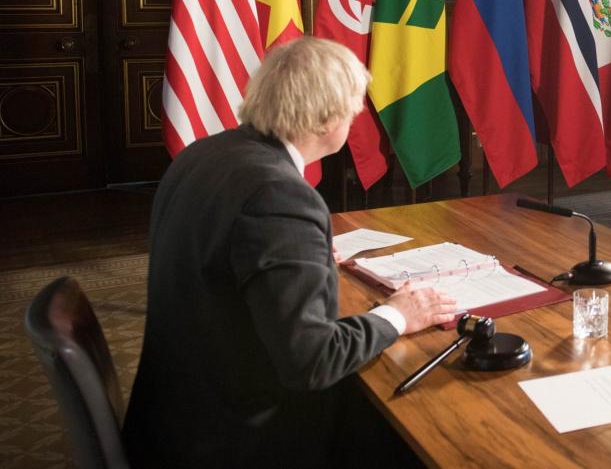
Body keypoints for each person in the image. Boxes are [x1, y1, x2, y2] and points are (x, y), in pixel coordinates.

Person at [123, 37, 458, 468]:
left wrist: (304, 255)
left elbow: (227, 255)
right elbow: (312, 361)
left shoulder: (204, 153)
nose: (357, 115)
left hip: (174, 411)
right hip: (234, 436)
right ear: (324, 120)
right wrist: (400, 314)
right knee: (408, 425)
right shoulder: (279, 196)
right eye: (354, 106)